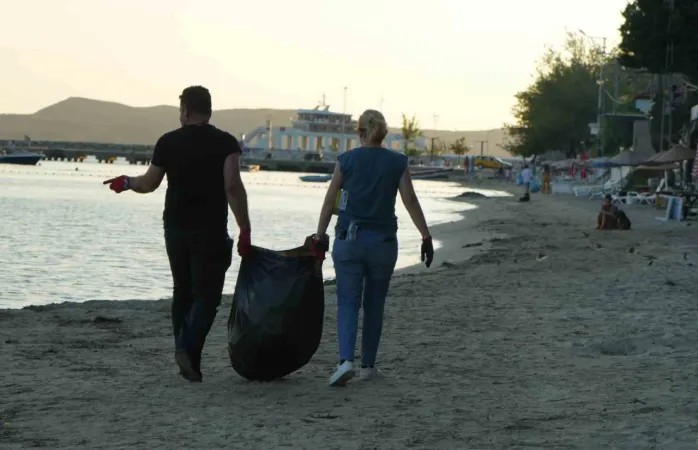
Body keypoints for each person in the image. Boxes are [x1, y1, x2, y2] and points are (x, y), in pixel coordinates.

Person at [103, 86, 251, 382]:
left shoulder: (168, 141)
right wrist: (244, 227)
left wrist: (127, 182)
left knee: (183, 291)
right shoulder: (225, 143)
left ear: (185, 110)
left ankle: (188, 360)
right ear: (208, 110)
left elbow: (150, 183)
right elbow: (232, 185)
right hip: (209, 229)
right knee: (207, 296)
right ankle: (186, 350)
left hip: (175, 228)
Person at [312, 109, 434, 387]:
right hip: (383, 244)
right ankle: (368, 366)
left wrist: (320, 237)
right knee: (374, 304)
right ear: (382, 133)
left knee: (347, 301)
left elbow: (329, 201)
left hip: (349, 242)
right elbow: (410, 200)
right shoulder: (397, 162)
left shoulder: (346, 160)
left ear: (359, 132)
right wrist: (425, 236)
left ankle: (345, 362)